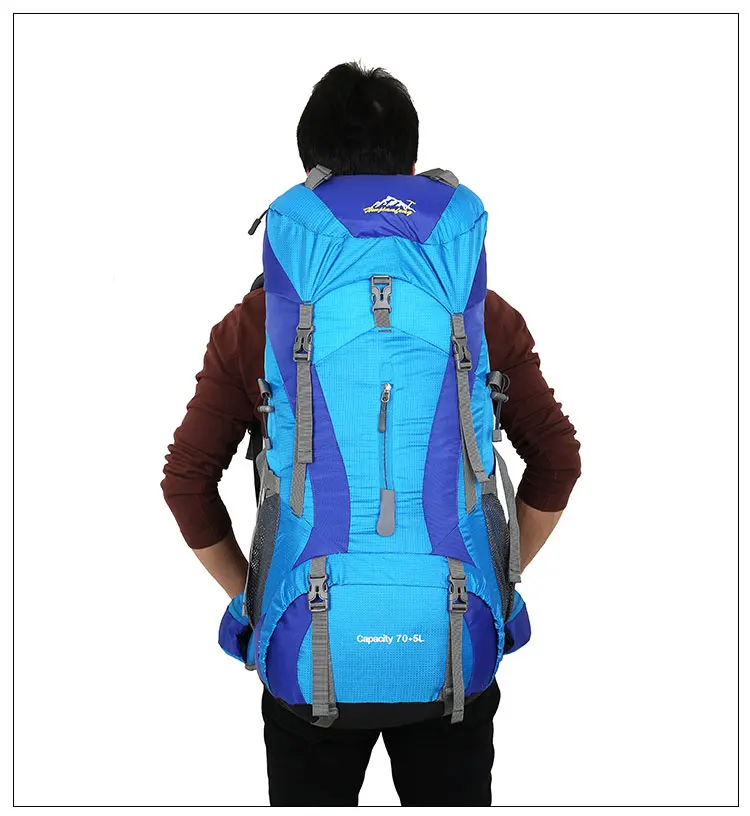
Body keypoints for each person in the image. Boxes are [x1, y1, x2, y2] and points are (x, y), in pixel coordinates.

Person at [160, 62, 581, 807]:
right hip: (453, 638)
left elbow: (186, 483)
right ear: (412, 169)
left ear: (311, 173)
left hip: (308, 642)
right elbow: (558, 461)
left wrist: (259, 601)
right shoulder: (482, 318)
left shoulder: (255, 324)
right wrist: (495, 580)